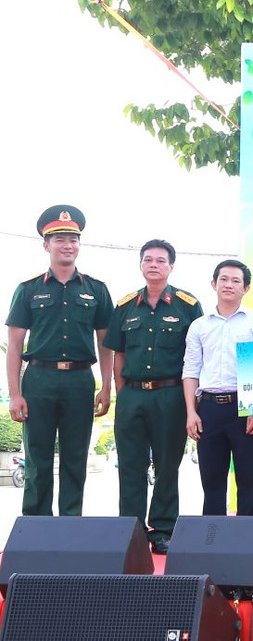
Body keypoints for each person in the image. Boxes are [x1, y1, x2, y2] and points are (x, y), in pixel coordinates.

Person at [6, 205, 114, 518]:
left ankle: (71, 525)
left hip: (80, 380)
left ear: (79, 245)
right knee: (38, 458)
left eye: (73, 239)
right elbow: (14, 345)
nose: (67, 245)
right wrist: (15, 393)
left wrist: (106, 387)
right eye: (59, 239)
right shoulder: (28, 290)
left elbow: (106, 344)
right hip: (38, 380)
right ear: (46, 245)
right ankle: (36, 525)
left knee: (75, 457)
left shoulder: (96, 290)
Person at [105, 239, 201, 554]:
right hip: (132, 394)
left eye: (161, 260)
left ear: (171, 266)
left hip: (170, 394)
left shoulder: (188, 305)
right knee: (130, 465)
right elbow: (117, 354)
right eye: (148, 259)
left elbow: (196, 355)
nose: (154, 265)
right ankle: (130, 532)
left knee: (167, 464)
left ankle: (162, 529)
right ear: (141, 265)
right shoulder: (125, 306)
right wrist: (121, 393)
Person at [183, 260, 253, 516]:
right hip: (208, 409)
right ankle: (212, 540)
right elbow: (190, 371)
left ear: (246, 288)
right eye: (223, 279)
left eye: (236, 281)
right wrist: (191, 412)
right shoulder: (199, 326)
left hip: (245, 409)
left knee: (247, 480)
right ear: (214, 284)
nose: (229, 285)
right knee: (211, 482)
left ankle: (246, 541)